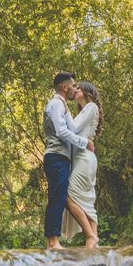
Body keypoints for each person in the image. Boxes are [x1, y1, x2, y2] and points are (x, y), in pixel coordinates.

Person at [42, 71, 95, 250]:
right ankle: (53, 241)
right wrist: (84, 142)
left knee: (58, 197)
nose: (75, 89)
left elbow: (72, 128)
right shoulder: (56, 104)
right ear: (64, 87)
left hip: (61, 157)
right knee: (58, 197)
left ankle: (53, 241)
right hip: (56, 156)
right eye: (73, 86)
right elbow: (62, 132)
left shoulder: (63, 105)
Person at [61, 81, 102, 248]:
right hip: (83, 159)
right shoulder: (83, 111)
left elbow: (73, 128)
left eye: (78, 88)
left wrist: (64, 108)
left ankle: (90, 236)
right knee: (86, 201)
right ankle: (93, 244)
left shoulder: (91, 106)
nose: (75, 89)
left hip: (85, 159)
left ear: (86, 92)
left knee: (68, 197)